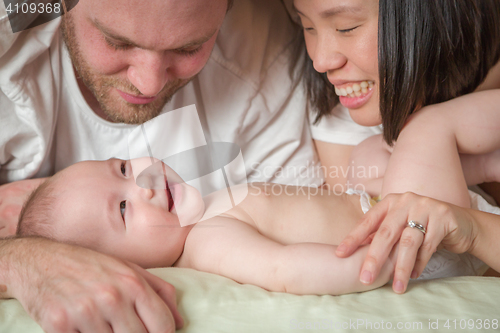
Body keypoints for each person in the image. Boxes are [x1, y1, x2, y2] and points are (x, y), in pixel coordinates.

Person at [0, 0, 322, 331]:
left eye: (189, 48)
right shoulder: (11, 33)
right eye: (117, 42)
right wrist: (27, 261)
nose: (149, 84)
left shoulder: (263, 54)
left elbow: (316, 223)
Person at [16, 90, 500, 295]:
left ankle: (480, 166)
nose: (141, 186)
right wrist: (378, 261)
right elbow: (284, 271)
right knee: (425, 127)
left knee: (369, 153)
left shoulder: (197, 214)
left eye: (123, 168)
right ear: (125, 266)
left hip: (383, 207)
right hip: (414, 242)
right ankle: (470, 161)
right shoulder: (209, 243)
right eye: (122, 210)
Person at [292, 0, 500, 293]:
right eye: (308, 27)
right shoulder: (347, 107)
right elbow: (376, 237)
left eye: (346, 27)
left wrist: (431, 127)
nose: (321, 61)